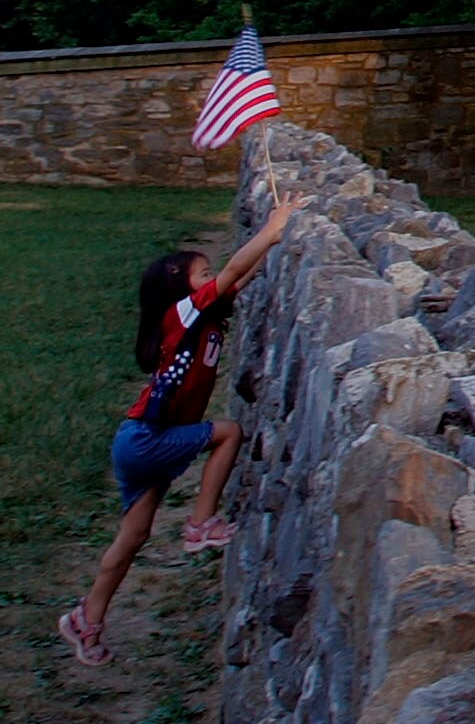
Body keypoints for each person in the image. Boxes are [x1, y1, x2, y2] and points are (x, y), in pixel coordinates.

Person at [60, 188, 306, 664]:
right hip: (146, 439)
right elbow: (234, 271)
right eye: (204, 273)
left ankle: (85, 620)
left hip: (137, 440)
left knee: (132, 538)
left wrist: (272, 243)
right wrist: (270, 229)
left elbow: (240, 278)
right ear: (181, 285)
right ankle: (200, 523)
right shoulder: (181, 313)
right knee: (229, 432)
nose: (214, 279)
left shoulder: (204, 315)